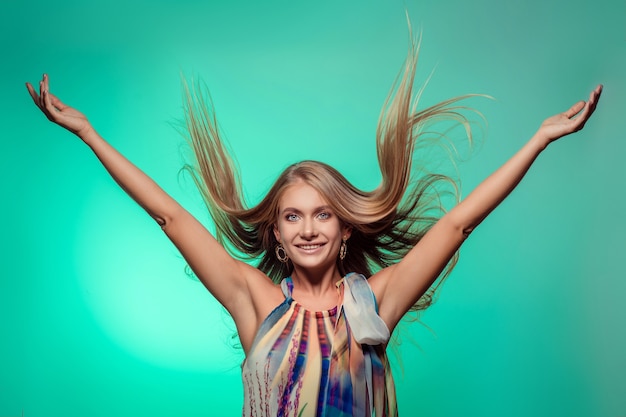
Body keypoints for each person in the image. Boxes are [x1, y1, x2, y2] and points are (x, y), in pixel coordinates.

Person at [26, 39, 602, 416]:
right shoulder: (252, 299)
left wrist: (539, 140)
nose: (308, 229)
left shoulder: (375, 300)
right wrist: (89, 134)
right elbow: (170, 217)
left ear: (345, 229)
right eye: (292, 216)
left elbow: (456, 226)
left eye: (323, 214)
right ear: (275, 234)